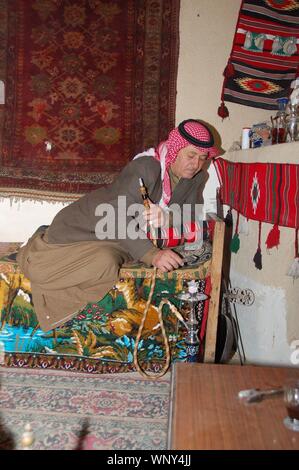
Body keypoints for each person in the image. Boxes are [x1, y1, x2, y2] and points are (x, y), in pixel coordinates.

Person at [17, 119, 220, 331]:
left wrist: (168, 217)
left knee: (108, 261)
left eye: (202, 158)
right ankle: (36, 254)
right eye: (191, 155)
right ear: (175, 149)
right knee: (101, 264)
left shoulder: (195, 178)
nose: (196, 164)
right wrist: (152, 254)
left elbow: (191, 214)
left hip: (115, 237)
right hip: (81, 228)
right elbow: (117, 214)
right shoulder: (146, 167)